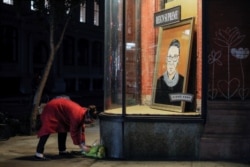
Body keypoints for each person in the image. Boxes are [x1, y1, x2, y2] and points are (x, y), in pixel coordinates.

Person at [34, 96, 98, 160]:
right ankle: (38, 153)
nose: (90, 123)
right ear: (88, 117)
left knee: (63, 128)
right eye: (90, 121)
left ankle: (62, 150)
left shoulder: (83, 113)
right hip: (52, 108)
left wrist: (83, 144)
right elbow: (74, 131)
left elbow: (81, 130)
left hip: (60, 109)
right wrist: (82, 147)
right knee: (47, 129)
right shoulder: (77, 116)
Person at [154, 39, 184, 106]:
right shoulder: (159, 81)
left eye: (175, 57)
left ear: (178, 60)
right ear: (166, 59)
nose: (172, 62)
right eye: (170, 57)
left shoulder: (183, 81)